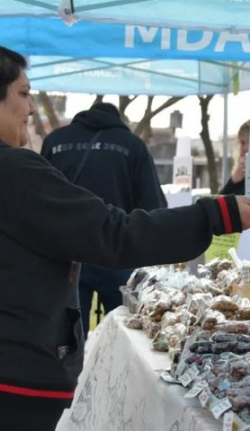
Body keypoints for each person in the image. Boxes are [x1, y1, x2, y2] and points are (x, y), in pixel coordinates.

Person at [0, 38, 250, 431]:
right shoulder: (11, 171)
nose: (32, 108)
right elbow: (114, 234)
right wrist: (218, 212)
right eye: (23, 93)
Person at [41, 102, 167, 335]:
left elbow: (40, 202)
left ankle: (73, 371)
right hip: (118, 253)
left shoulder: (55, 142)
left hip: (66, 256)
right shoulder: (133, 146)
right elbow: (154, 207)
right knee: (125, 333)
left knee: (67, 335)